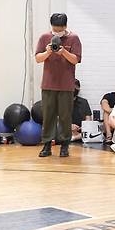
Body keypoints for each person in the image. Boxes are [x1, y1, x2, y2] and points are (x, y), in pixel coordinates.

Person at [35, 13, 82, 157]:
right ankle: (47, 145)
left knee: (65, 116)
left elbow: (75, 60)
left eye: (59, 29)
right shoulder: (44, 38)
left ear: (65, 26)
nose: (57, 32)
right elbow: (38, 58)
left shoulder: (74, 38)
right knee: (48, 116)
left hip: (66, 85)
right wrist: (48, 52)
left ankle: (65, 145)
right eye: (54, 30)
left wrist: (63, 52)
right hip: (48, 84)